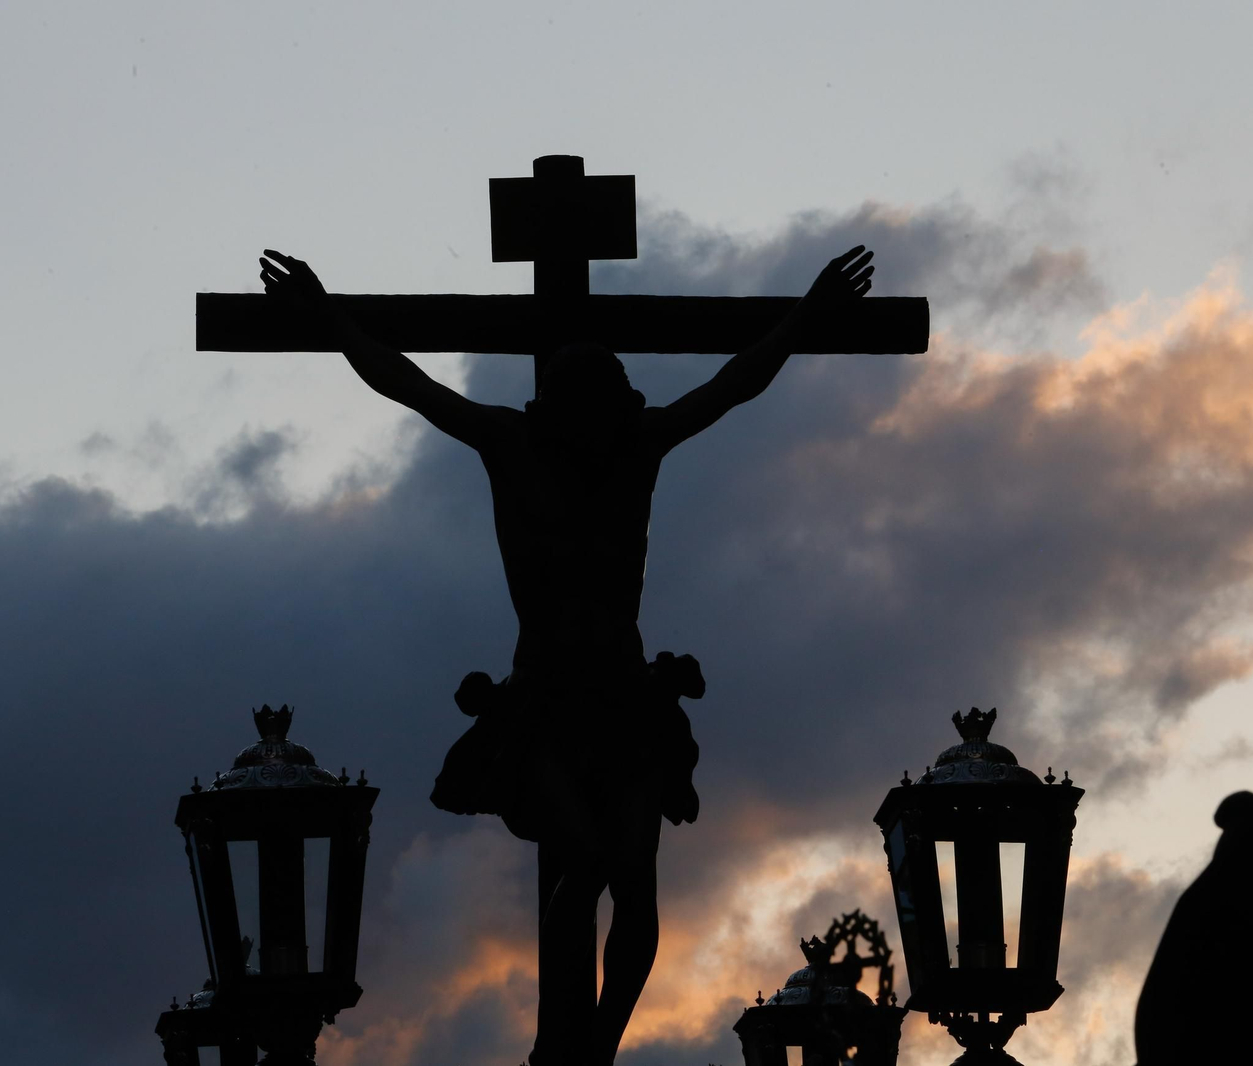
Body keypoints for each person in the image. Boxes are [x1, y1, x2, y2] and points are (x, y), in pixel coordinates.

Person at [258, 244, 875, 1065]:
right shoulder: (514, 446)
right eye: (577, 400)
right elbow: (406, 383)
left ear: (616, 404)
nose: (589, 417)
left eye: (600, 400)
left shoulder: (636, 447)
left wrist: (804, 318)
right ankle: (567, 1045)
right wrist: (332, 319)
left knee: (634, 883)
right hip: (546, 697)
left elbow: (735, 384)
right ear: (556, 405)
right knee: (582, 860)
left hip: (624, 696)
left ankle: (595, 1046)